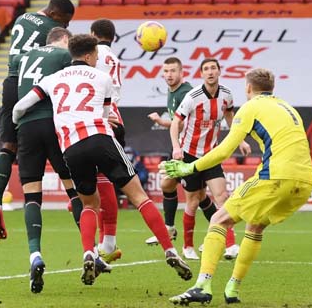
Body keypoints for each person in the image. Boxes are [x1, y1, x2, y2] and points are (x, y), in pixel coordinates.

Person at [12, 34, 192, 286]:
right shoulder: (102, 77)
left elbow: (20, 106)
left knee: (88, 204)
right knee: (140, 197)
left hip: (71, 148)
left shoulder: (51, 79)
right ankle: (169, 250)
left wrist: (18, 120)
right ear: (88, 56)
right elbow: (106, 115)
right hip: (99, 137)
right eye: (96, 55)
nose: (98, 59)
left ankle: (89, 252)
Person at [164, 68, 312, 305]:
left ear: (248, 88)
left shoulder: (251, 107)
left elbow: (224, 150)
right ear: (272, 88)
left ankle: (202, 286)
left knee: (218, 220)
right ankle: (232, 289)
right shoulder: (288, 107)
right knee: (255, 227)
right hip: (305, 181)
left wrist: (189, 168)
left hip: (275, 176)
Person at [11, 27, 100, 293]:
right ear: (63, 40)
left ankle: (34, 254)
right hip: (54, 124)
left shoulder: (23, 57)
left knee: (31, 196)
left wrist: (16, 123)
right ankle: (91, 252)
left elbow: (16, 99)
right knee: (74, 190)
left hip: (26, 127)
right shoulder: (64, 56)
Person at [0, 0, 76, 240]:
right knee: (56, 145)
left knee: (8, 146)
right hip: (31, 81)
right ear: (56, 14)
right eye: (65, 21)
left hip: (10, 81)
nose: (66, 27)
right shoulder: (53, 30)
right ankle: (76, 201)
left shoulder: (22, 17)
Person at [169, 58, 249, 261]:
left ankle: (230, 245)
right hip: (189, 155)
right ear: (201, 74)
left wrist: (239, 140)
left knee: (222, 196)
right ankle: (187, 247)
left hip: (212, 154)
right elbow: (175, 123)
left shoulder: (227, 94)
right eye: (206, 69)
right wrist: (176, 148)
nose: (210, 72)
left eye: (213, 68)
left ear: (219, 71)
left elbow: (231, 117)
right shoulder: (192, 97)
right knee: (193, 201)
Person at [145, 57, 200, 246]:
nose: (169, 75)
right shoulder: (173, 90)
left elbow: (182, 124)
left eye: (173, 71)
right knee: (167, 185)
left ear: (181, 72)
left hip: (189, 148)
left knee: (198, 196)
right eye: (166, 71)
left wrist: (161, 122)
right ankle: (169, 228)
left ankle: (223, 237)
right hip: (179, 147)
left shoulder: (185, 92)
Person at [90, 18, 125, 264]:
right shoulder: (114, 57)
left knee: (98, 181)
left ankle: (108, 242)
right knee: (103, 181)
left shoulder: (95, 54)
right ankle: (107, 241)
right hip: (114, 115)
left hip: (100, 117)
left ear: (93, 34)